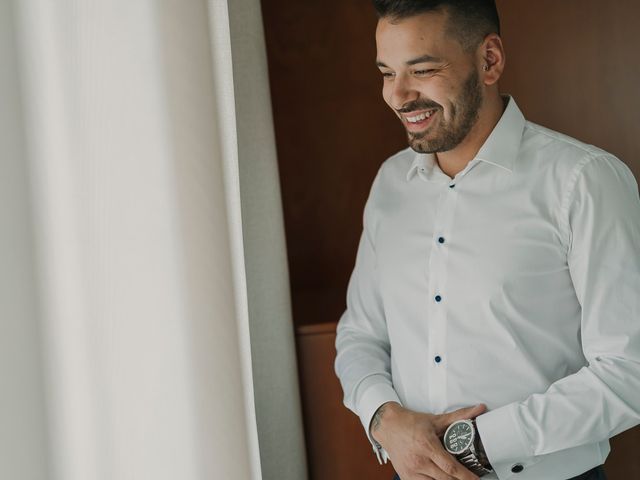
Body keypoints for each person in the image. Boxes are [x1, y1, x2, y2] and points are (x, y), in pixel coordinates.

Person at [333, 1, 640, 479]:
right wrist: (384, 419)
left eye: (423, 70)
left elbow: (630, 371)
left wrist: (472, 445)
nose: (399, 95)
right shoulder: (391, 183)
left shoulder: (584, 180)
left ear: (490, 60)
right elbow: (361, 333)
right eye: (387, 73)